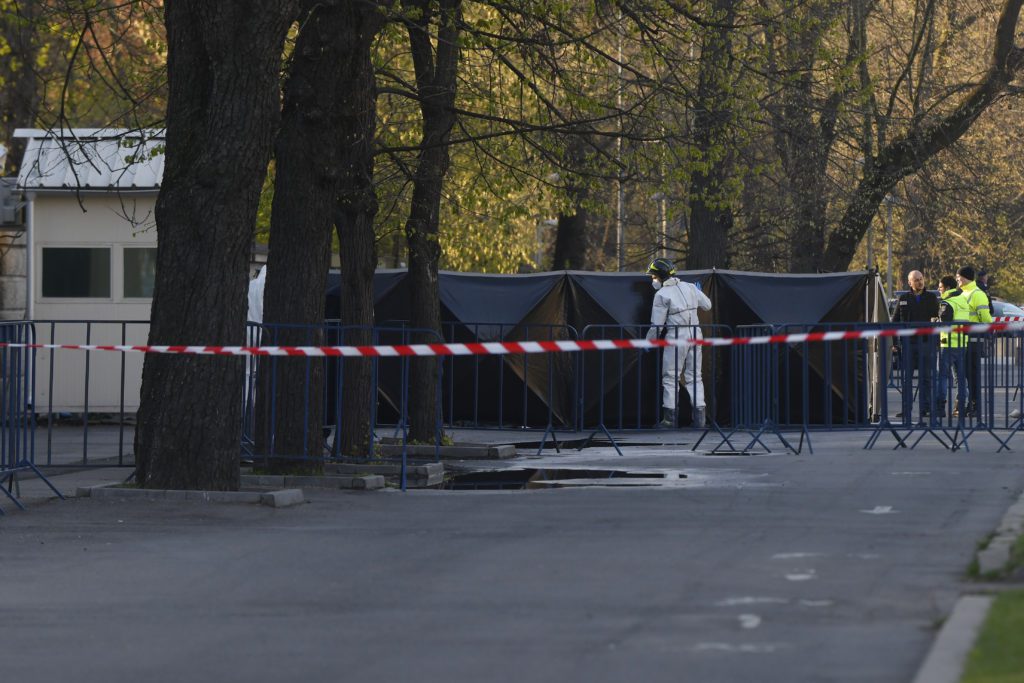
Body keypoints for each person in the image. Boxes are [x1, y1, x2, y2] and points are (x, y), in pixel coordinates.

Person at [645, 258, 712, 428]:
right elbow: (708, 305)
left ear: (660, 275)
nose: (653, 279)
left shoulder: (661, 295)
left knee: (670, 377)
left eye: (653, 276)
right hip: (696, 335)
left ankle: (669, 420)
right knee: (695, 377)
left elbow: (657, 325)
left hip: (677, 338)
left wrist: (647, 343)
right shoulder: (690, 287)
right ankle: (700, 420)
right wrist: (698, 292)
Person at [892, 270, 939, 422]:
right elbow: (894, 321)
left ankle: (926, 408)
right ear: (910, 282)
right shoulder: (904, 298)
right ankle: (906, 409)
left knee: (926, 378)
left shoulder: (931, 298)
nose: (920, 282)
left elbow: (938, 320)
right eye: (916, 280)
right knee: (907, 378)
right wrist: (894, 343)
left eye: (921, 279)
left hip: (926, 343)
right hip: (908, 344)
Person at [956, 266, 992, 419]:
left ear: (965, 278)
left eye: (959, 277)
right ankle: (970, 404)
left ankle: (975, 406)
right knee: (964, 375)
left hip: (973, 341)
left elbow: (986, 319)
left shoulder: (978, 294)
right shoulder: (963, 293)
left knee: (972, 375)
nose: (957, 279)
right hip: (962, 341)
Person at [932, 275, 969, 421]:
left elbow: (944, 323)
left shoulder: (947, 302)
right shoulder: (963, 300)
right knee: (960, 377)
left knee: (942, 376)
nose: (938, 290)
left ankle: (940, 407)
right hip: (961, 343)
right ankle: (960, 407)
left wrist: (934, 321)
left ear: (947, 288)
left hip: (947, 344)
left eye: (940, 287)